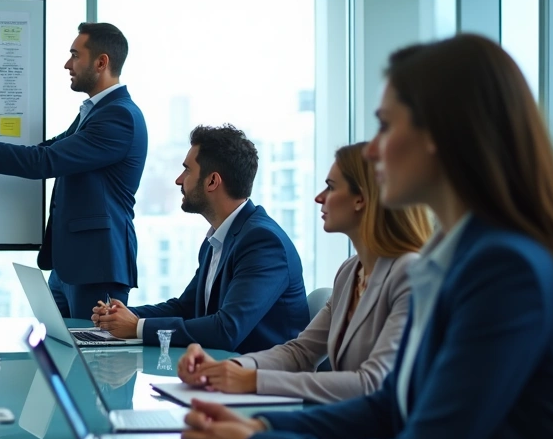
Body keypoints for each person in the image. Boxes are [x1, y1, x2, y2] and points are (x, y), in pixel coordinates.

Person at [181, 34, 553, 439]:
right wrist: (261, 426)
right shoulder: (450, 258)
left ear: (441, 136)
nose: (372, 150)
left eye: (386, 127)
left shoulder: (504, 270)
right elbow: (388, 406)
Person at [177, 142, 432, 403]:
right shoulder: (350, 272)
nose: (319, 197)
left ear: (360, 199)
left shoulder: (409, 274)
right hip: (342, 417)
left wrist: (252, 380)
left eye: (331, 187)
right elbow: (300, 353)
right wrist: (231, 368)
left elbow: (373, 383)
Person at [0, 22, 147, 317]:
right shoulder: (96, 112)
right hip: (70, 265)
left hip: (98, 266)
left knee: (92, 347)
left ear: (101, 62)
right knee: (57, 342)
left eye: (75, 55)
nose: (67, 64)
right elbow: (45, 151)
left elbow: (43, 161)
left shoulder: (118, 117)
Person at [93, 124, 308, 352]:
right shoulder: (217, 239)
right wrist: (121, 316)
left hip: (264, 372)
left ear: (212, 181)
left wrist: (137, 327)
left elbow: (226, 330)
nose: (178, 180)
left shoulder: (263, 242)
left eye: (187, 170)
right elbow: (186, 308)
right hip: (222, 366)